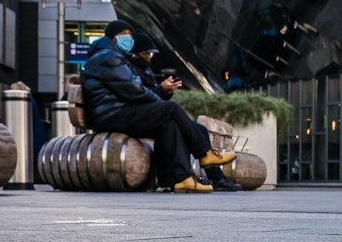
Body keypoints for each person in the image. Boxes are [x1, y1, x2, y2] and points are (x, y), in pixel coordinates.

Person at [81, 21, 234, 192]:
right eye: (125, 34)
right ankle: (205, 154)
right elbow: (135, 90)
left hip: (115, 113)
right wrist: (159, 99)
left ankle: (179, 178)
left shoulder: (111, 56)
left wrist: (158, 98)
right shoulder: (108, 57)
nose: (129, 38)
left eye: (131, 34)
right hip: (112, 115)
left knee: (168, 124)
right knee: (170, 108)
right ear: (113, 37)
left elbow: (134, 89)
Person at [131, 31, 239, 190]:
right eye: (146, 53)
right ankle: (203, 168)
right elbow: (143, 95)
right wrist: (161, 89)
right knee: (180, 124)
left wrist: (165, 91)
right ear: (136, 53)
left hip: (153, 112)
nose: (149, 57)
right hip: (144, 116)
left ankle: (212, 174)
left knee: (199, 129)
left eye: (151, 53)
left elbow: (152, 96)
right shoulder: (133, 70)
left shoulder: (144, 69)